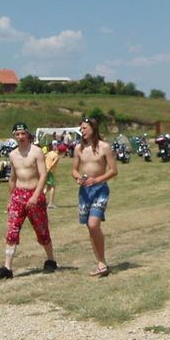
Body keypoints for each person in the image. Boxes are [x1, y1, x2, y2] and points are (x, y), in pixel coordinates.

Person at [0, 122, 56, 280]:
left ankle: (51, 260)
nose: (20, 137)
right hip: (18, 195)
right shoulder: (13, 155)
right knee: (12, 231)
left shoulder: (36, 152)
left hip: (35, 194)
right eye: (17, 134)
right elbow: (13, 178)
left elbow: (43, 175)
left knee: (42, 230)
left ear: (28, 134)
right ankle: (7, 267)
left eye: (23, 134)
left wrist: (36, 195)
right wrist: (11, 198)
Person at [72, 117, 118, 277]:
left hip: (100, 190)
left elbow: (113, 170)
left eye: (84, 128)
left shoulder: (104, 147)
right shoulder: (78, 148)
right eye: (81, 129)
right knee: (91, 229)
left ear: (93, 128)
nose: (82, 131)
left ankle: (101, 262)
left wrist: (97, 180)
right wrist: (78, 178)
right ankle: (101, 263)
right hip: (85, 191)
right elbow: (74, 170)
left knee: (93, 224)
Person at [44, 140, 60, 209]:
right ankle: (51, 203)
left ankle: (39, 199)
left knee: (48, 187)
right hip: (50, 172)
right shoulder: (56, 156)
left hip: (45, 170)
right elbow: (52, 165)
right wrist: (48, 170)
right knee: (53, 187)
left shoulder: (48, 153)